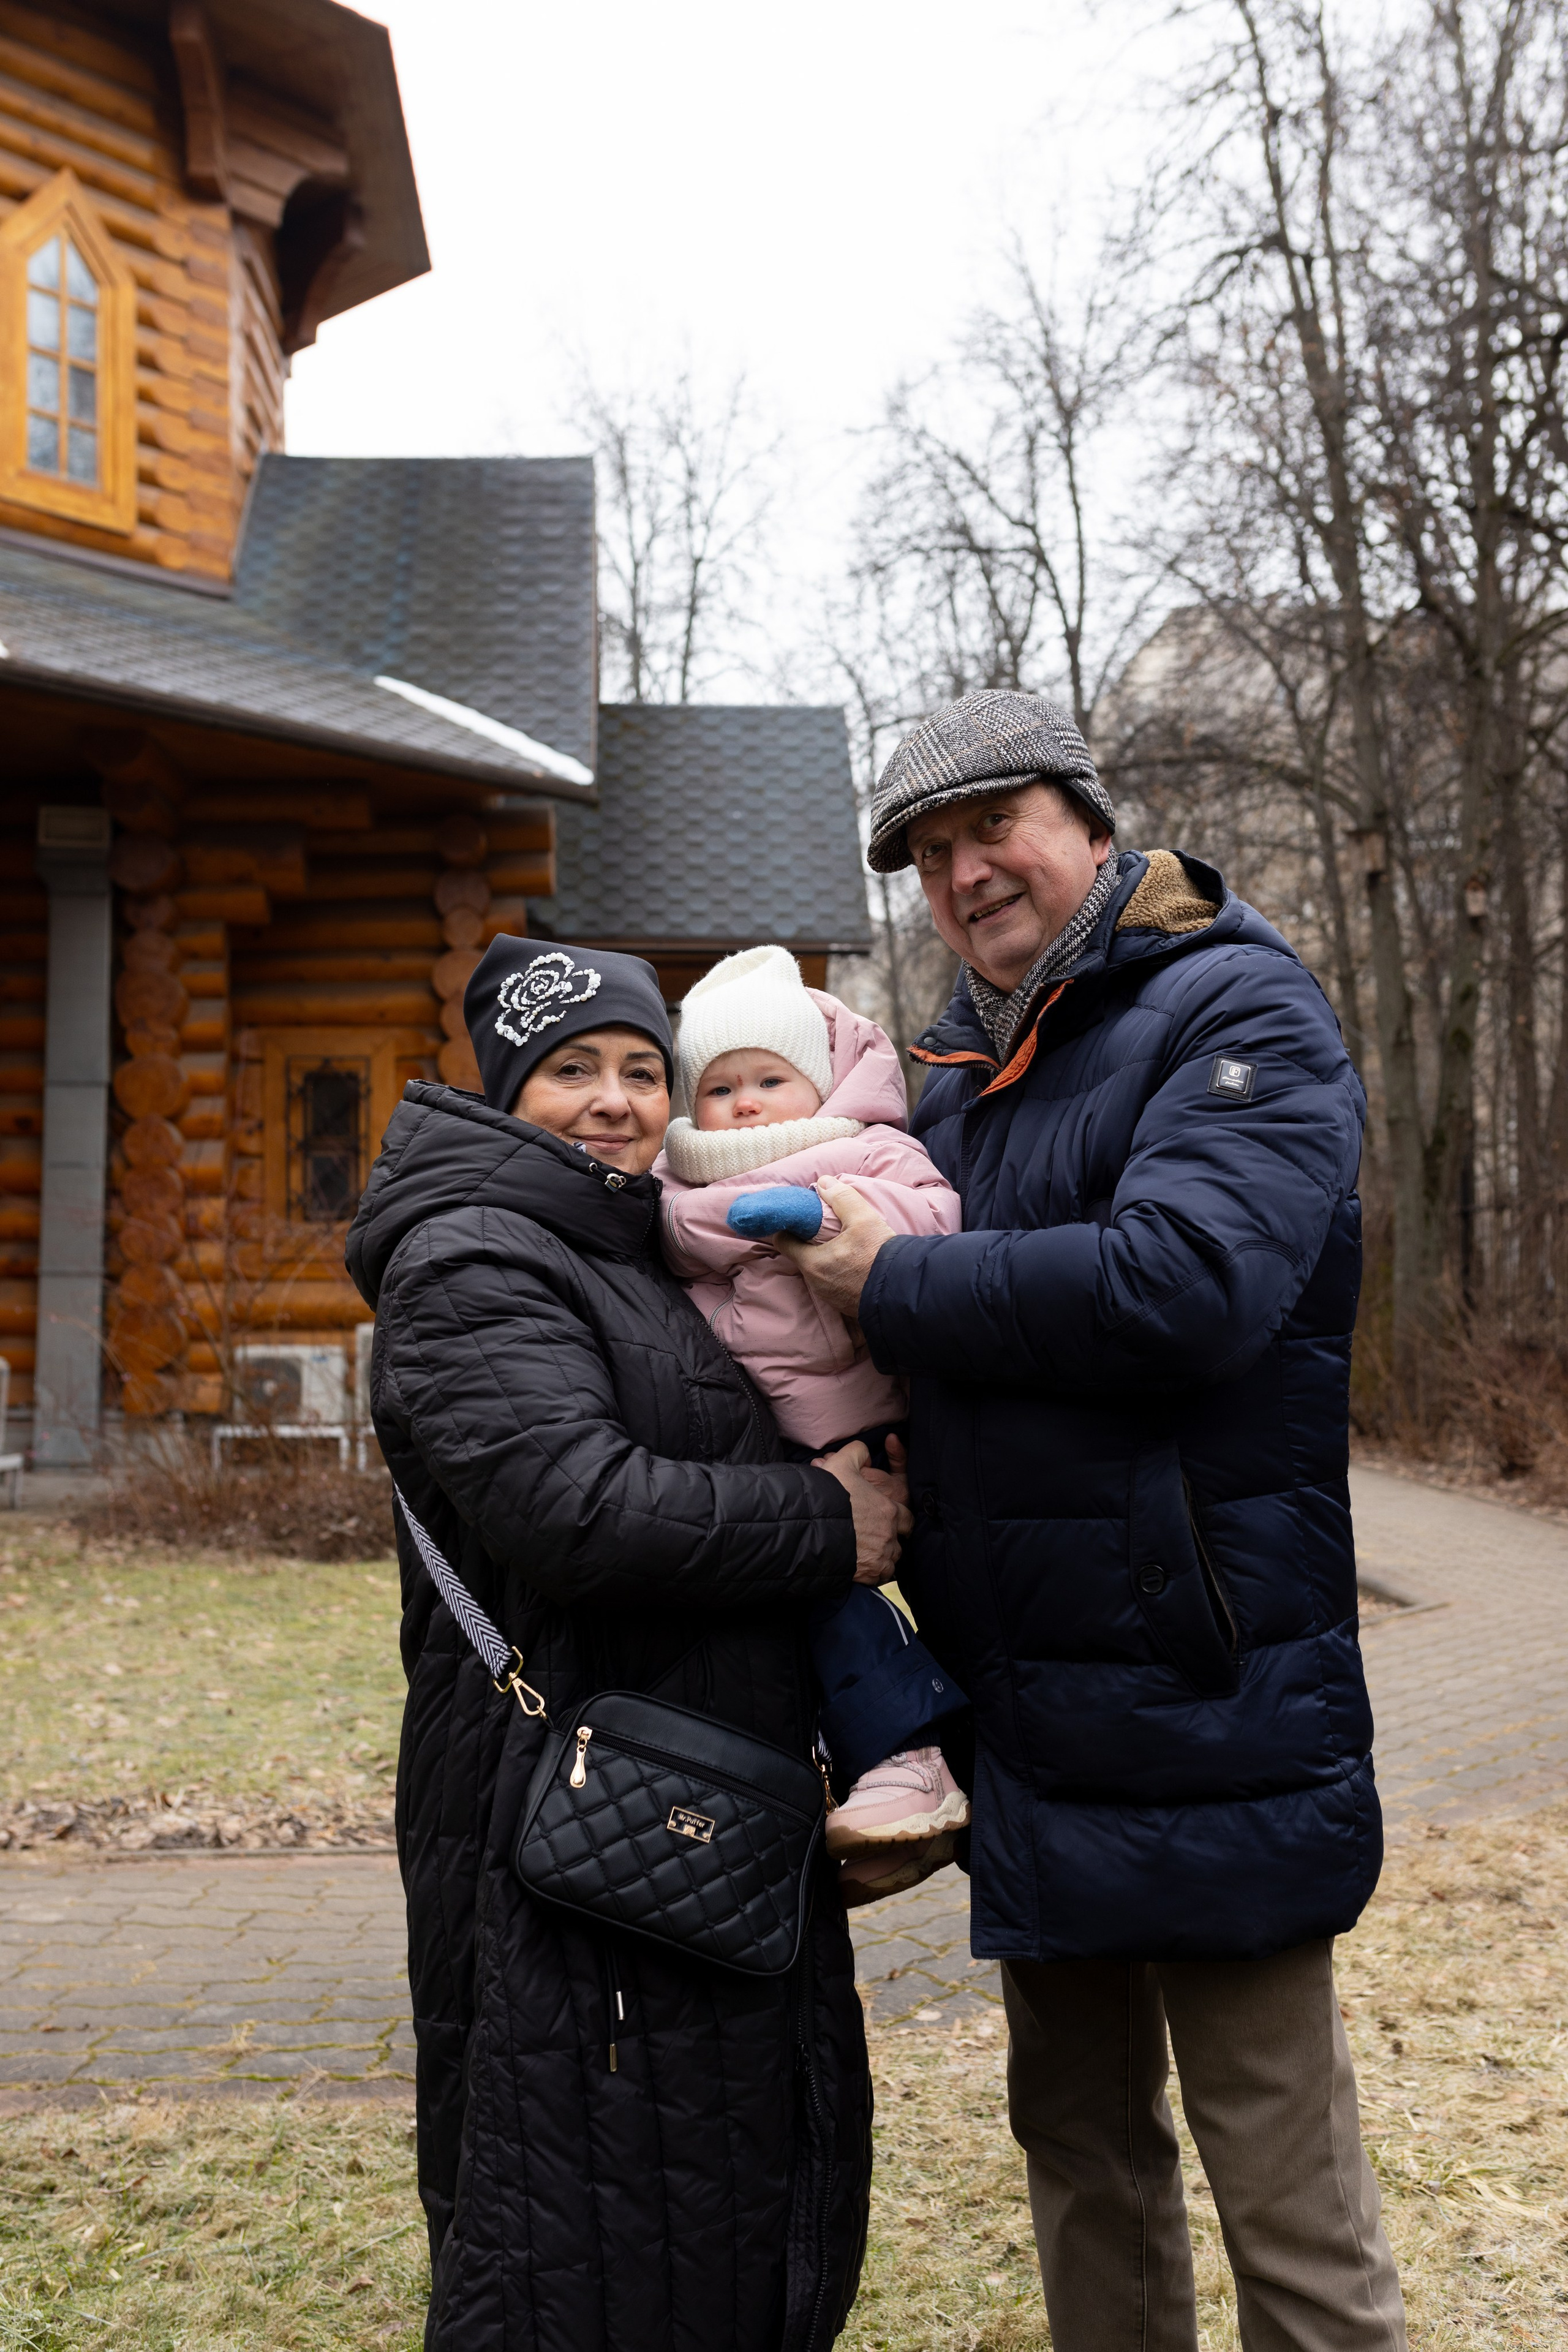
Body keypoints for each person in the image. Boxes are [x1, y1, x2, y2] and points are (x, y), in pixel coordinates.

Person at [777, 690, 1408, 2352]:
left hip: (1208, 1696)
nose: (965, 872)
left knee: (1283, 2183)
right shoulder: (967, 1077)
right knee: (1082, 2154)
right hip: (1036, 1712)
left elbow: (1184, 1289)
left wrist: (893, 1282)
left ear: (1090, 827)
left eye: (995, 827)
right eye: (928, 853)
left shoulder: (1233, 1009)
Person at [345, 935, 895, 2352]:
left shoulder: (625, 1244)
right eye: (571, 1069)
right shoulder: (471, 1255)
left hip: (677, 1808)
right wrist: (825, 1525)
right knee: (569, 2235)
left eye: (642, 1070)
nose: (613, 1100)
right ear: (508, 1088)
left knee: (685, 2216)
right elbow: (571, 1508)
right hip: (565, 1821)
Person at [655, 943, 969, 1901]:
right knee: (771, 1605)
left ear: (819, 1082)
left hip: (867, 1428)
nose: (746, 1105)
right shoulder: (680, 1193)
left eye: (769, 1079)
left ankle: (911, 1750)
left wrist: (825, 1218)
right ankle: (840, 1771)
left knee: (830, 1601)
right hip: (768, 1443)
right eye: (720, 1087)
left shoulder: (862, 1147)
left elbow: (933, 1218)